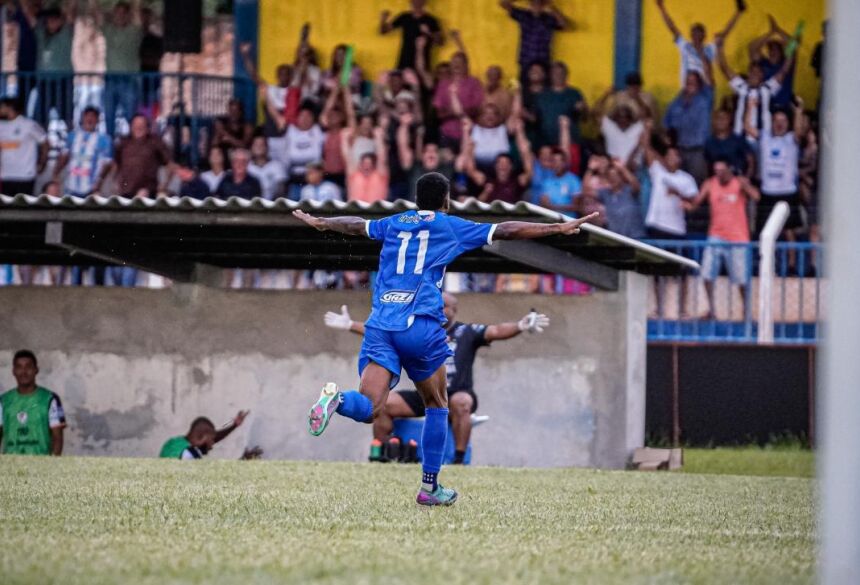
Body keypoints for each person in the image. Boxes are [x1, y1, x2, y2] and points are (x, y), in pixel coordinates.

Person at [294, 172, 598, 506]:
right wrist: (555, 228)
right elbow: (507, 229)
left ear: (415, 200)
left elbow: (355, 224)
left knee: (369, 408)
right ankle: (429, 488)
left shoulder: (394, 222)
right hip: (420, 325)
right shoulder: (449, 224)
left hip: (381, 324)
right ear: (446, 200)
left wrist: (323, 222)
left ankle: (336, 400)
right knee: (437, 403)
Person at [323, 296, 549, 464]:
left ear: (454, 310)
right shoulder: (420, 331)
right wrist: (350, 325)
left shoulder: (466, 332)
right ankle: (381, 453)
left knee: (462, 402)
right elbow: (384, 333)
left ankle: (459, 460)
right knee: (382, 402)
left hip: (454, 394)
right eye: (435, 306)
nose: (438, 310)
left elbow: (497, 330)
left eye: (443, 307)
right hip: (425, 392)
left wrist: (520, 326)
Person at [683, 158, 760, 319]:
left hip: (738, 238)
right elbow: (696, 203)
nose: (719, 174)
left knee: (741, 278)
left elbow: (756, 196)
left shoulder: (739, 182)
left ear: (729, 170)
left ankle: (746, 311)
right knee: (706, 274)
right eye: (716, 171)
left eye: (722, 171)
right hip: (716, 235)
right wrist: (684, 203)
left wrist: (744, 184)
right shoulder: (710, 184)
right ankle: (711, 309)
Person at [745, 98, 804, 271]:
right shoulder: (764, 137)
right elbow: (748, 128)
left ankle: (792, 265)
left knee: (790, 231)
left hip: (787, 191)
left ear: (788, 123)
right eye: (776, 121)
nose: (779, 124)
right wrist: (750, 107)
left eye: (783, 121)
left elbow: (799, 131)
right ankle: (766, 264)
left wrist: (799, 111)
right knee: (764, 231)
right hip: (768, 191)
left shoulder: (791, 139)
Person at [715, 33, 796, 144]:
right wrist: (719, 47)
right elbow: (724, 68)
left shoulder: (767, 88)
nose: (755, 74)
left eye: (758, 72)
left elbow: (784, 70)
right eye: (752, 72)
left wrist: (791, 50)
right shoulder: (741, 87)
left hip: (762, 141)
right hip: (740, 139)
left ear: (762, 76)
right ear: (748, 73)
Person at [655, 0, 744, 87]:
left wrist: (738, 13)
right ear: (690, 35)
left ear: (704, 35)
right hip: (687, 90)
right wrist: (661, 8)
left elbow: (724, 34)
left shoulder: (709, 49)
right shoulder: (685, 46)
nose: (696, 34)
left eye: (699, 31)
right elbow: (672, 27)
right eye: (694, 32)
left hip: (703, 91)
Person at [94, 0, 145, 135]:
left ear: (128, 15)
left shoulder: (134, 31)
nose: (120, 16)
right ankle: (110, 149)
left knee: (131, 117)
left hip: (129, 80)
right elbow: (97, 15)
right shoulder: (108, 30)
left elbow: (138, 12)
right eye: (117, 13)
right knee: (109, 117)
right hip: (110, 80)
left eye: (123, 13)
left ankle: (132, 149)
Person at [0, 350, 66, 456]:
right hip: (10, 465)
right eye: (19, 367)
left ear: (36, 370)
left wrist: (52, 466)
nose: (24, 372)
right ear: (13, 371)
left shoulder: (50, 399)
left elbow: (57, 438)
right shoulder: (3, 401)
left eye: (28, 367)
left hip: (40, 465)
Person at [22, 1, 77, 124]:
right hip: (44, 81)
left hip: (63, 81)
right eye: (49, 19)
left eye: (55, 19)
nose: (52, 22)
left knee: (67, 115)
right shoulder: (41, 33)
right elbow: (28, 15)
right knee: (40, 117)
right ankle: (41, 142)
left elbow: (72, 11)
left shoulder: (66, 32)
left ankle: (69, 139)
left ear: (61, 20)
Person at [462, 118, 533, 204]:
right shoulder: (487, 181)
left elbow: (528, 165)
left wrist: (519, 131)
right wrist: (469, 148)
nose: (503, 166)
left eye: (506, 163)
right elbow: (470, 170)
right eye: (500, 163)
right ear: (495, 166)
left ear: (511, 167)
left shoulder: (518, 182)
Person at [500, 0, 570, 83]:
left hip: (543, 62)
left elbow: (565, 25)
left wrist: (552, 8)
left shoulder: (549, 19)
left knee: (544, 92)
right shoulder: (524, 16)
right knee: (524, 91)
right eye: (533, 3)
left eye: (539, 3)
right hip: (526, 61)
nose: (536, 6)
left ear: (543, 5)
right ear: (529, 4)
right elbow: (503, 4)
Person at [663, 70, 714, 184]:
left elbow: (710, 81)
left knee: (697, 184)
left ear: (699, 84)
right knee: (679, 183)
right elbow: (667, 124)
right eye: (688, 81)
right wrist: (671, 145)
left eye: (693, 81)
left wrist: (702, 56)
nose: (690, 83)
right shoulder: (676, 102)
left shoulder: (705, 98)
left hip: (698, 151)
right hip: (680, 150)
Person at [53, 106, 112, 197]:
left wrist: (100, 181)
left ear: (98, 120)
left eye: (93, 117)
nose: (90, 119)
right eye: (87, 116)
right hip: (70, 187)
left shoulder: (104, 140)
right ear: (82, 118)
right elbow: (65, 155)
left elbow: (107, 163)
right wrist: (56, 172)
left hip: (91, 189)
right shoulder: (72, 136)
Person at [112, 114, 172, 198]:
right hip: (125, 191)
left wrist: (163, 186)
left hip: (147, 191)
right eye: (136, 125)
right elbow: (115, 164)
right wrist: (114, 183)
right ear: (131, 127)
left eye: (142, 125)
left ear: (147, 128)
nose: (139, 127)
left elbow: (170, 165)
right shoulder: (123, 142)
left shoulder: (155, 142)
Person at [159, 411, 256, 460]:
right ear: (202, 437)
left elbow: (212, 437)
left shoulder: (173, 443)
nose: (211, 446)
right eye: (211, 442)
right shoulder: (189, 454)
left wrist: (234, 425)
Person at [0, 97, 47, 196]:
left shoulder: (28, 125)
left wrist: (42, 163)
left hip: (25, 175)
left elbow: (45, 142)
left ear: (9, 108)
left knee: (23, 208)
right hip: (5, 175)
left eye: (2, 107)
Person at [534, 61, 586, 148]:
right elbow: (535, 119)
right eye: (555, 73)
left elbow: (585, 118)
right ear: (550, 75)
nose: (558, 76)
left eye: (561, 73)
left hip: (571, 142)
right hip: (546, 144)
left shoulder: (574, 93)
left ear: (566, 75)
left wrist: (583, 109)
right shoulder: (542, 95)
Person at [747, 15, 796, 107]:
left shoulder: (786, 63)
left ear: (781, 52)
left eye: (776, 50)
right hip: (764, 105)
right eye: (770, 50)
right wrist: (770, 33)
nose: (773, 52)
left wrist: (778, 30)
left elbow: (793, 44)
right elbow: (751, 47)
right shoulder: (762, 63)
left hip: (782, 107)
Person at [379, 0, 443, 70]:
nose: (417, 2)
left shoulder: (431, 20)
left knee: (422, 79)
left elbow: (440, 42)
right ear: (410, 1)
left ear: (425, 2)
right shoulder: (404, 17)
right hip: (405, 58)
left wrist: (429, 33)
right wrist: (383, 20)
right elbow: (383, 31)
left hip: (422, 59)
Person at [599, 158, 646, 239]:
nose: (613, 178)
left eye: (616, 175)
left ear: (622, 177)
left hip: (636, 238)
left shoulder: (630, 190)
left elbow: (636, 185)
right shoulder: (605, 194)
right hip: (615, 240)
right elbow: (586, 192)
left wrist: (623, 168)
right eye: (610, 176)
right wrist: (590, 170)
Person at [343, 126, 389, 203]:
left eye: (369, 164)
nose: (366, 166)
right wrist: (344, 138)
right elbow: (348, 158)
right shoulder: (353, 175)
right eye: (364, 164)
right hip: (354, 211)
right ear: (359, 165)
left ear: (374, 165)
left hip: (378, 212)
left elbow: (382, 158)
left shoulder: (380, 176)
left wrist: (378, 138)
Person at [704, 109, 754, 179]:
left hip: (737, 181)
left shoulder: (739, 140)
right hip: (717, 183)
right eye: (718, 118)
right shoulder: (709, 142)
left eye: (724, 118)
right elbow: (706, 165)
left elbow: (750, 161)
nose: (721, 121)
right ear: (713, 121)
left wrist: (746, 179)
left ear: (729, 120)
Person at [539, 145, 581, 214]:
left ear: (565, 163)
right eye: (554, 161)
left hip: (569, 221)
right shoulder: (546, 182)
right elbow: (544, 205)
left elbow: (576, 206)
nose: (557, 164)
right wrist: (565, 207)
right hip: (550, 221)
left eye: (560, 161)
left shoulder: (574, 180)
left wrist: (552, 207)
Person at [248, 135, 286, 200]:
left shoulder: (276, 165)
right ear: (251, 148)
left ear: (267, 147)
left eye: (262, 145)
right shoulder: (248, 166)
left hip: (272, 204)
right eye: (256, 145)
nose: (259, 147)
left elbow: (281, 188)